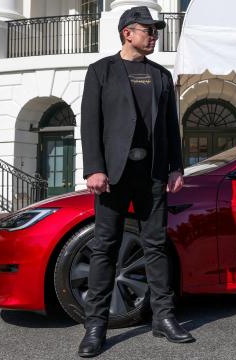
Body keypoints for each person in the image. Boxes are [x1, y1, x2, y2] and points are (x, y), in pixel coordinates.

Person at [78, 6, 193, 357]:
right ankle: (96, 325)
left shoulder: (159, 75)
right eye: (148, 29)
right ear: (128, 32)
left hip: (154, 173)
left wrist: (176, 166)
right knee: (105, 247)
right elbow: (90, 123)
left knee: (155, 245)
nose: (154, 34)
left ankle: (163, 317)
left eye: (155, 30)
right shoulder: (101, 71)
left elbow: (172, 126)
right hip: (113, 175)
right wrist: (93, 168)